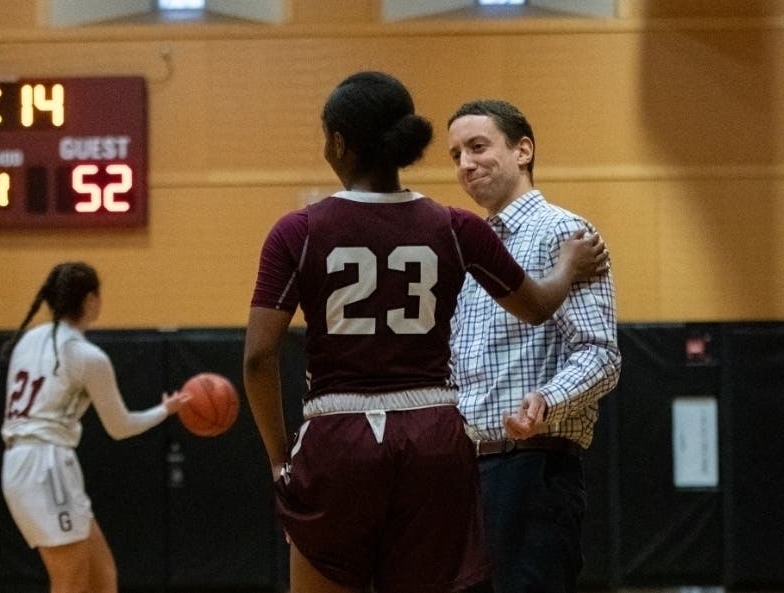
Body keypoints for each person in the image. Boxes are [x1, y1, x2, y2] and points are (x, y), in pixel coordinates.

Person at [243, 71, 608, 593]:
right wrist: (567, 268)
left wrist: (280, 459)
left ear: (340, 143)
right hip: (432, 436)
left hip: (337, 432)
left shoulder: (298, 231)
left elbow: (258, 358)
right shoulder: (457, 227)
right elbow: (536, 306)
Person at [446, 99, 622, 593]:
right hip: (467, 475)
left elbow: (601, 355)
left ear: (523, 150)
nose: (465, 164)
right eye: (456, 154)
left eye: (478, 147)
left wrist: (548, 399)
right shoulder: (471, 248)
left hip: (533, 469)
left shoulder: (564, 233)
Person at [0, 261, 189, 593]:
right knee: (70, 581)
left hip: (28, 463)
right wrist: (166, 409)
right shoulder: (88, 356)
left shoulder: (29, 339)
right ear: (90, 300)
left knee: (101, 575)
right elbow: (120, 426)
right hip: (45, 466)